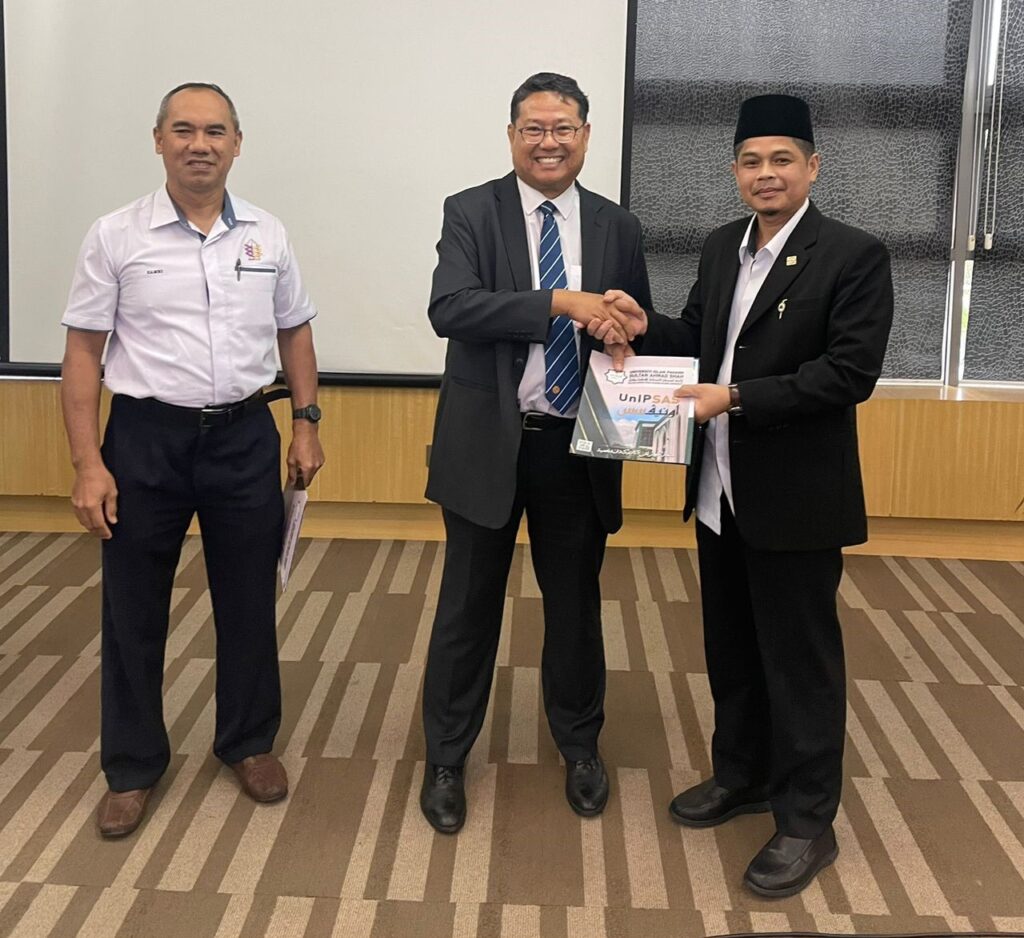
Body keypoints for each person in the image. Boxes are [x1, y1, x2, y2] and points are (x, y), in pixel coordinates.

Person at [607, 94, 893, 896]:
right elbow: (700, 341)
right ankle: (742, 774)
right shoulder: (720, 247)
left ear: (812, 167)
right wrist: (641, 323)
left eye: (781, 160)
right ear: (735, 171)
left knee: (800, 663)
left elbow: (848, 375)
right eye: (751, 161)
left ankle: (807, 821)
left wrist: (733, 399)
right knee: (731, 648)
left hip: (795, 498)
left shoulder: (853, 254)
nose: (766, 174)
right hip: (719, 490)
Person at [60, 82, 324, 837]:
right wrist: (88, 463)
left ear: (237, 143)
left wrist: (306, 423)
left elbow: (295, 331)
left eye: (214, 131)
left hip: (244, 436)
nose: (199, 144)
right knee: (133, 607)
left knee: (248, 599)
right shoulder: (115, 235)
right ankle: (133, 765)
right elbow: (83, 354)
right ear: (158, 141)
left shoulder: (268, 234)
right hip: (145, 441)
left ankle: (247, 742)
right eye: (183, 130)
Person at [419, 72, 652, 834]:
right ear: (512, 135)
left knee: (575, 608)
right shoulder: (470, 211)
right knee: (467, 608)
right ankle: (446, 757)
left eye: (563, 128)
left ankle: (580, 747)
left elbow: (636, 329)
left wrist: (623, 330)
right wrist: (558, 303)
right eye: (534, 128)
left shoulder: (617, 225)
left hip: (575, 447)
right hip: (487, 443)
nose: (549, 142)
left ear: (585, 136)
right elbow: (451, 308)